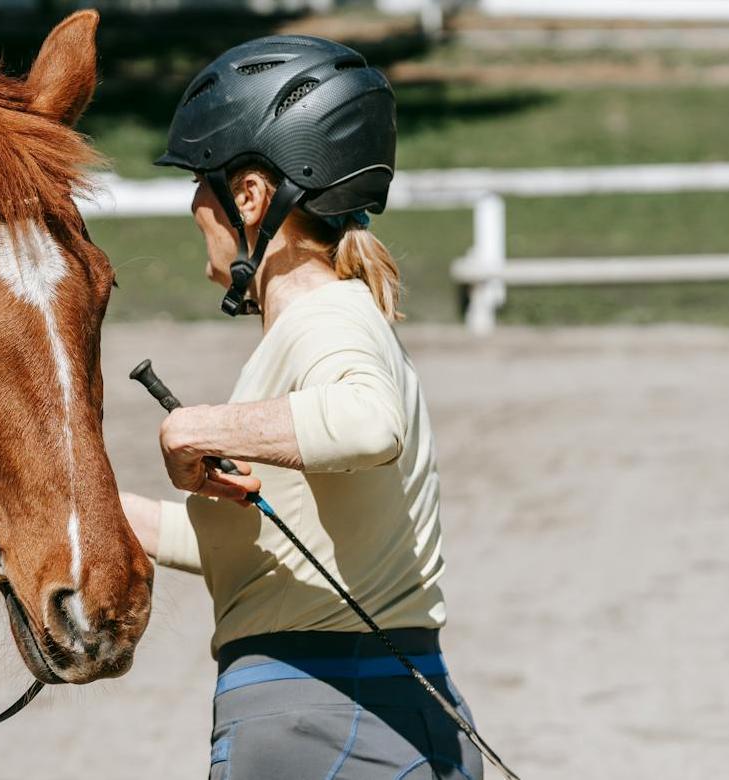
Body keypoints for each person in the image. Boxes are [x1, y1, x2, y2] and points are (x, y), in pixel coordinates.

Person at [119, 35, 487, 779]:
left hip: (310, 721)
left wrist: (194, 425)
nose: (195, 204)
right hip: (386, 713)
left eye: (202, 180)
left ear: (250, 196)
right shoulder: (319, 328)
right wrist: (77, 511)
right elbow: (260, 551)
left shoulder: (326, 316)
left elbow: (366, 422)